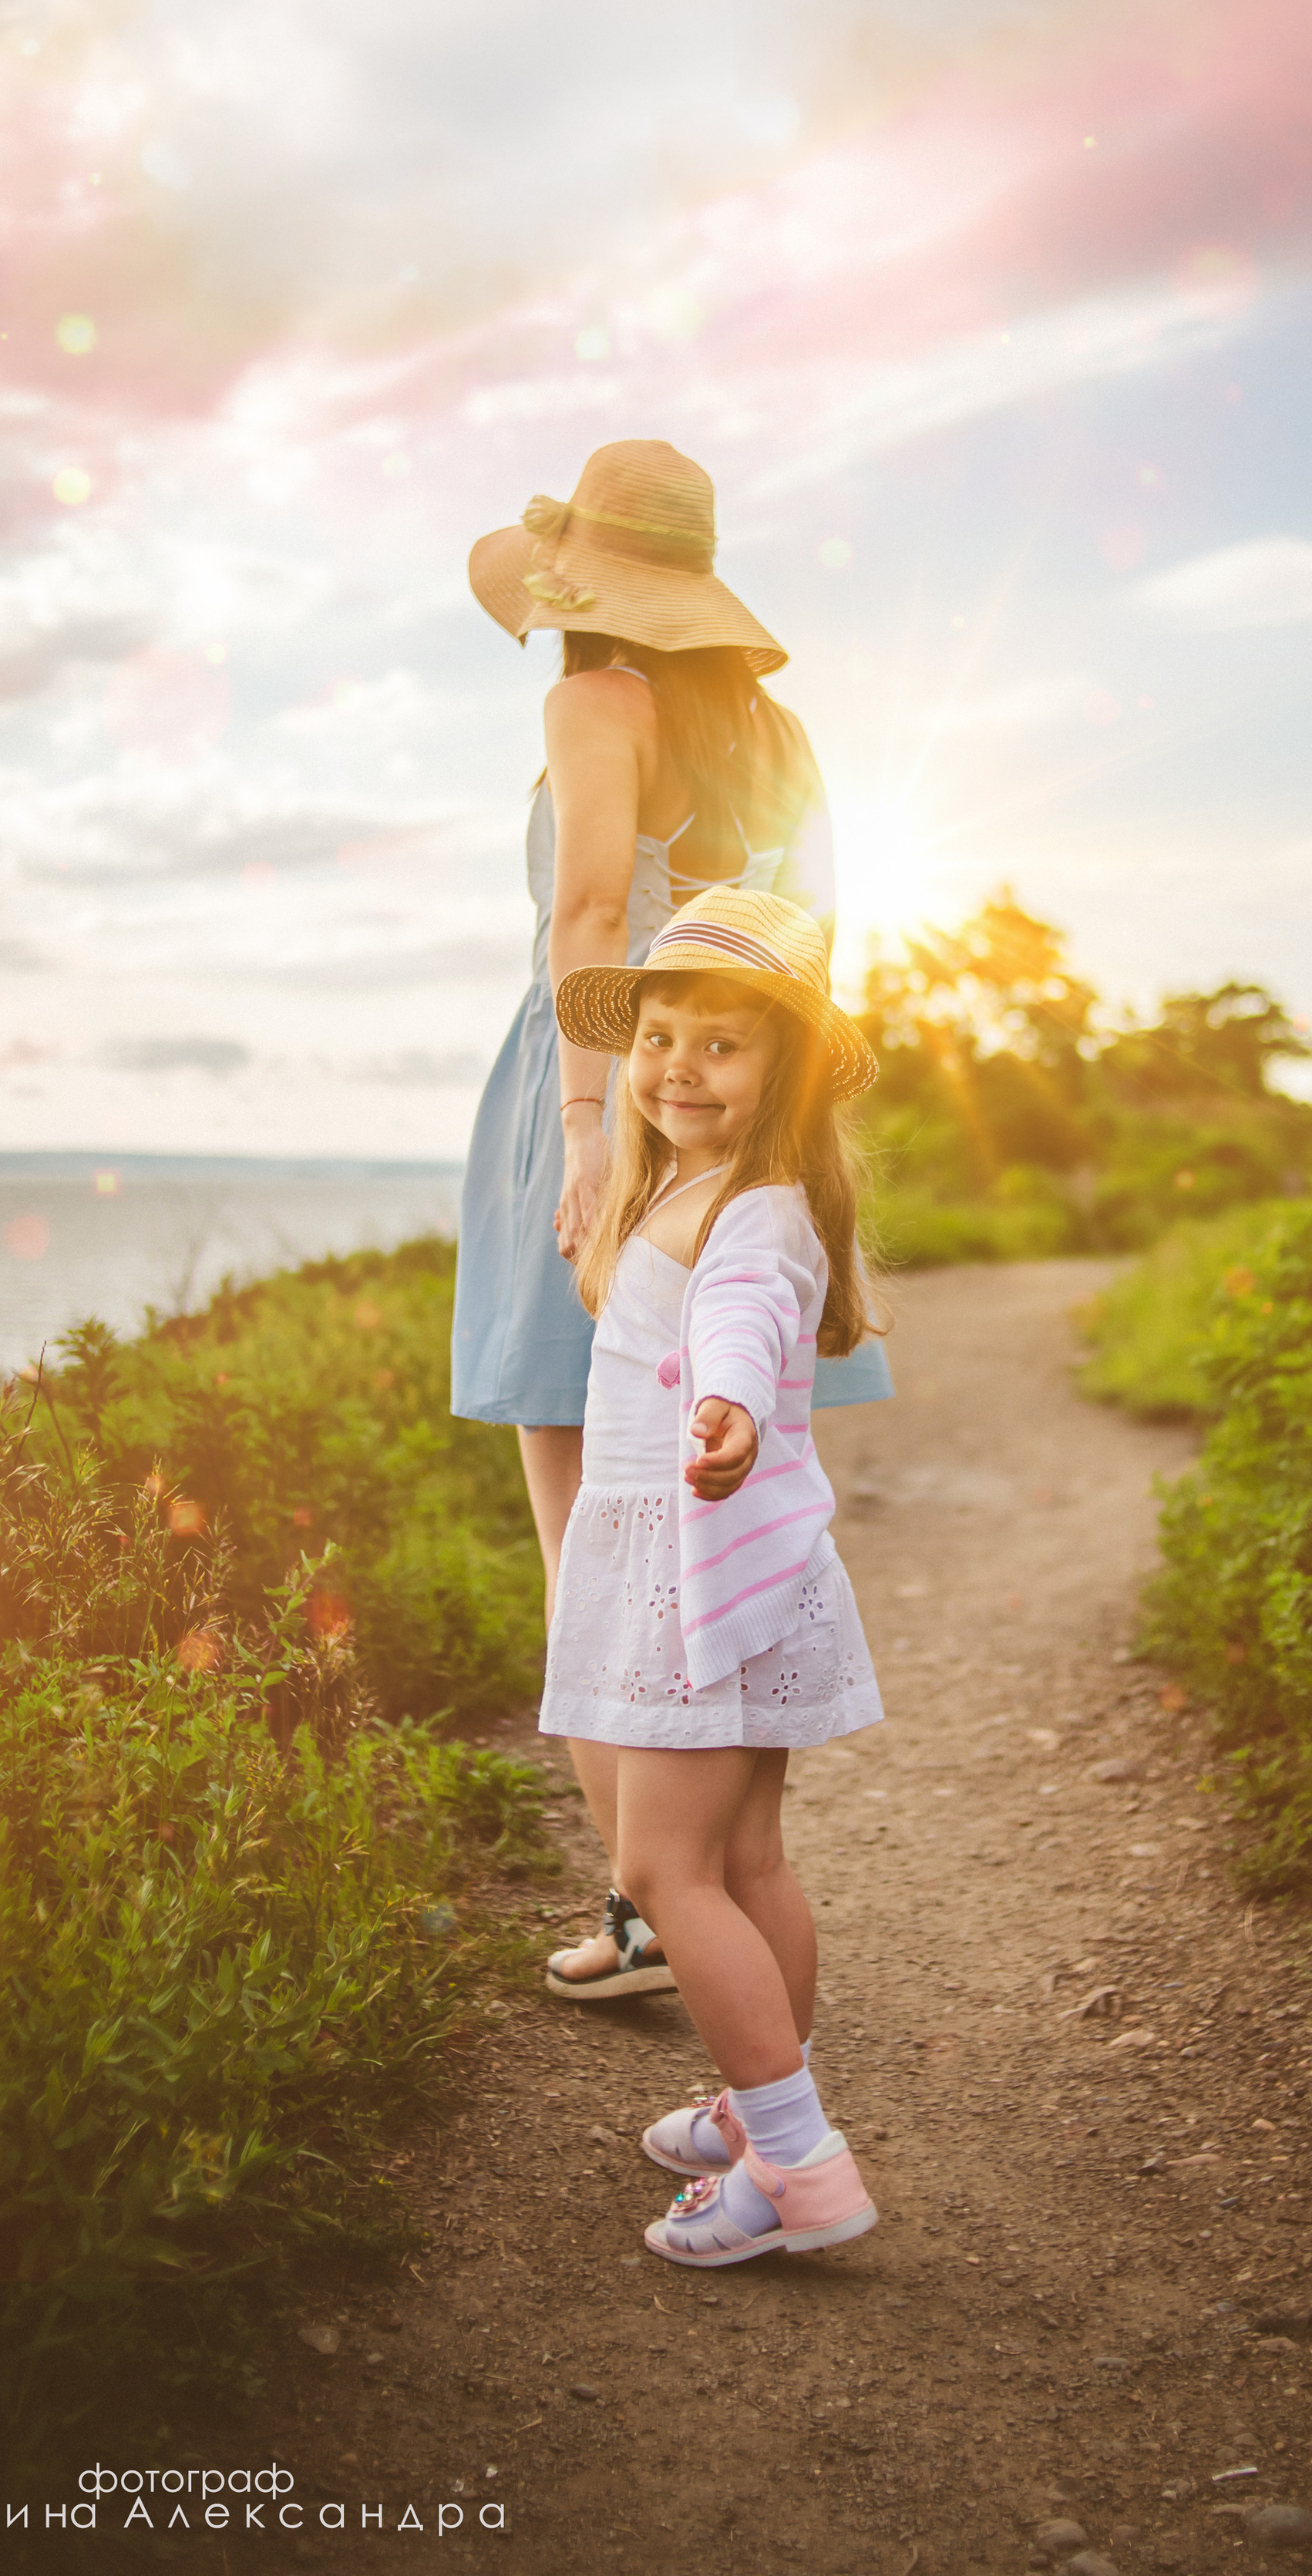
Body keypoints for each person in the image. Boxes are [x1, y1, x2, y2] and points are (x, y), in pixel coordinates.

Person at [451, 439, 891, 2000]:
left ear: (586, 589)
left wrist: (589, 1133)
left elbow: (584, 920)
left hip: (601, 1090)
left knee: (586, 1542)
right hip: (752, 1120)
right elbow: (813, 947)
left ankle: (654, 1906)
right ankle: (714, 1874)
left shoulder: (592, 704)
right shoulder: (777, 737)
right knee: (710, 1517)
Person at [542, 883, 884, 2265]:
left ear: (781, 1072)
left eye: (721, 1044)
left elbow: (743, 1318)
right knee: (744, 1861)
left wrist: (730, 1410)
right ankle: (758, 2117)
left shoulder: (753, 1211)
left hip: (693, 1562)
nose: (680, 1065)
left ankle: (795, 2167)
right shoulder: (684, 1185)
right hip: (732, 1565)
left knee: (662, 1869)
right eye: (661, 1036)